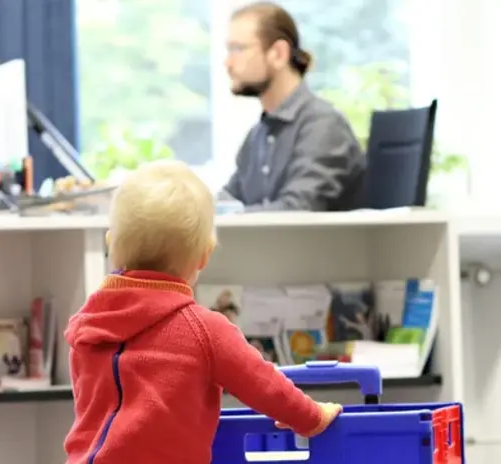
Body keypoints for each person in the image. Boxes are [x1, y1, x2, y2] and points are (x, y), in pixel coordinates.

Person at [63, 160, 342, 463]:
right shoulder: (204, 330)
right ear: (204, 257)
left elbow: (91, 408)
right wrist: (311, 416)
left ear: (110, 244)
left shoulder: (87, 326)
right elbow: (264, 384)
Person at [221, 2, 366, 212]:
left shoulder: (322, 125)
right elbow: (228, 201)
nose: (228, 62)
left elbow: (297, 211)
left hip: (318, 246)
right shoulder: (257, 136)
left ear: (278, 53)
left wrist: (229, 216)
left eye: (238, 49)